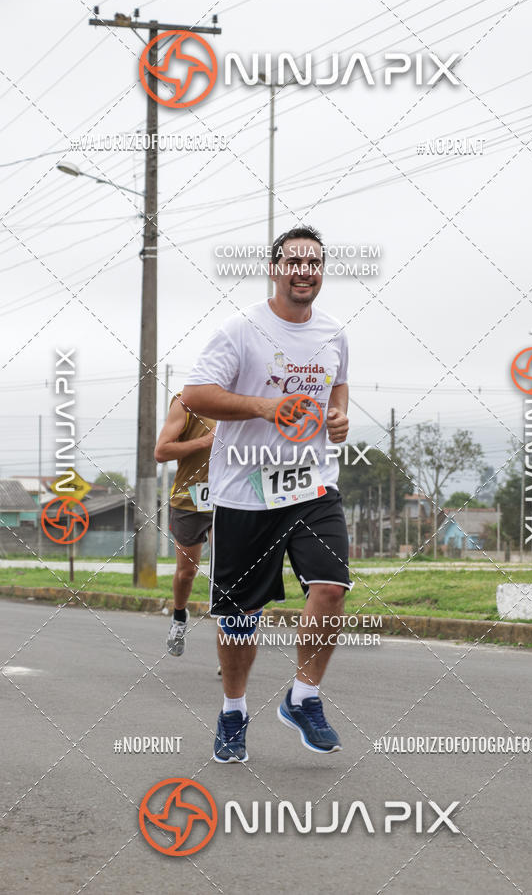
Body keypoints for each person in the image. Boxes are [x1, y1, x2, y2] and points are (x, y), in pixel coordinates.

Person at [182, 225, 351, 763]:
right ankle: (233, 710)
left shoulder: (334, 333)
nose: (305, 270)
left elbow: (339, 381)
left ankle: (304, 697)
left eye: (314, 262)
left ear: (320, 272)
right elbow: (196, 394)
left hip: (312, 484)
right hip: (245, 489)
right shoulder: (241, 329)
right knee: (240, 618)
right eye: (294, 261)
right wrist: (263, 406)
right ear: (275, 269)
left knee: (331, 588)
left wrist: (341, 412)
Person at [154, 394, 215, 656]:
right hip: (189, 498)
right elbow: (161, 451)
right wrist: (206, 441)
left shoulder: (245, 399)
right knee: (186, 572)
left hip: (230, 496)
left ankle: (230, 641)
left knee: (227, 569)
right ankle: (179, 616)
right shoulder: (186, 402)